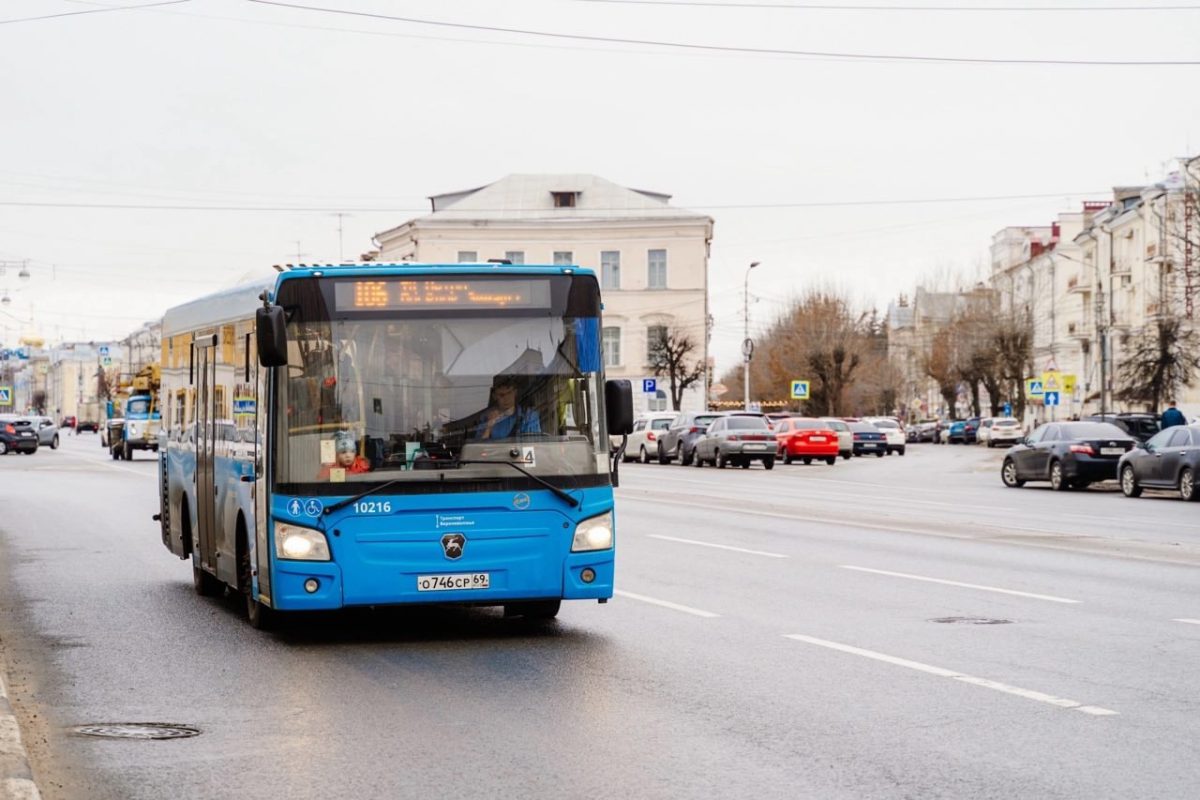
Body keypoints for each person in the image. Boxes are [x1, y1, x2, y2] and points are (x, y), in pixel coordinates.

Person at [475, 378, 541, 440]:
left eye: (509, 393)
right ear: (494, 396)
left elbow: (534, 444)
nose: (506, 399)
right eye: (501, 395)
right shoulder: (486, 417)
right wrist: (488, 427)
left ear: (515, 392)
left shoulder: (529, 415)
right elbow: (478, 447)